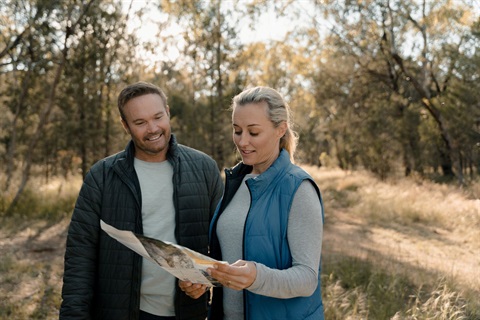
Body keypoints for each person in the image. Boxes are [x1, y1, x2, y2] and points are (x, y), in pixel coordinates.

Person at [60, 81, 224, 320]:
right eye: (140, 122)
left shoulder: (204, 168)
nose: (153, 128)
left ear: (168, 112)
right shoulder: (102, 176)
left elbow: (222, 241)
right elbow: (79, 257)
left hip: (189, 312)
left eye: (158, 117)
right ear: (125, 126)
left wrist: (206, 278)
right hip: (121, 312)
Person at [180, 86, 324, 319]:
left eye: (254, 132)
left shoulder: (299, 188)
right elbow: (231, 255)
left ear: (280, 129)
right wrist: (205, 279)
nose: (243, 141)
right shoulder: (236, 182)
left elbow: (307, 279)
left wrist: (257, 277)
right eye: (237, 131)